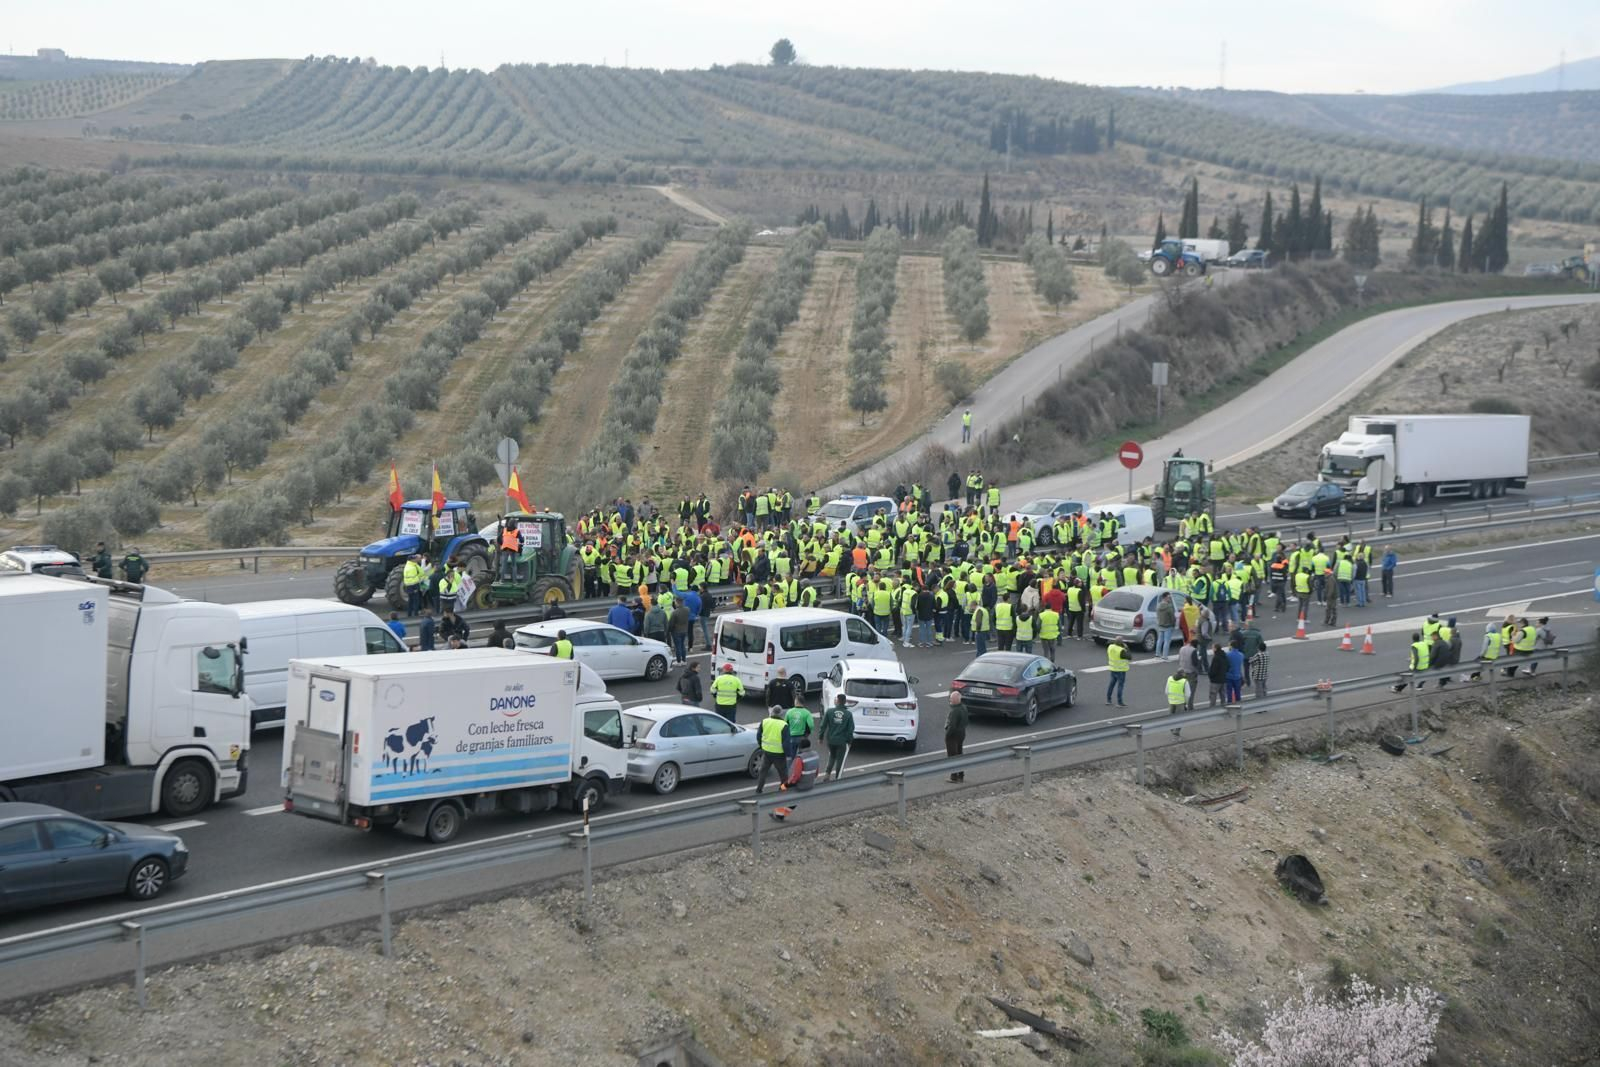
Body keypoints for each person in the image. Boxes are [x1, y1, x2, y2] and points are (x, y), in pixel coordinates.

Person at [754, 707, 791, 794]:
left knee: (763, 771)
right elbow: (786, 743)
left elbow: (758, 736)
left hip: (766, 752)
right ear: (781, 714)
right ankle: (782, 789)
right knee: (783, 775)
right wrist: (788, 754)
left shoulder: (765, 721)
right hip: (779, 754)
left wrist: (762, 746)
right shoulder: (784, 725)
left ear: (772, 713)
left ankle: (759, 789)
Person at [819, 694, 854, 782]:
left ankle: (827, 773)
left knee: (832, 756)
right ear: (844, 702)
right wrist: (849, 741)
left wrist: (821, 737)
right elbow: (850, 730)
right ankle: (838, 778)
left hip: (831, 739)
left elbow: (823, 725)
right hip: (841, 741)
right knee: (840, 760)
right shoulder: (848, 714)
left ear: (837, 701)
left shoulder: (829, 711)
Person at [945, 693, 969, 783]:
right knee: (959, 753)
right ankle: (961, 775)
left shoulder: (954, 711)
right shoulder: (964, 707)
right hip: (961, 733)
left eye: (951, 699)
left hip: (953, 736)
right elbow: (966, 721)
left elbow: (952, 726)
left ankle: (954, 776)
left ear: (954, 700)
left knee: (952, 756)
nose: (950, 700)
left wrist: (947, 735)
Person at [1176, 637, 1201, 710]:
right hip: (1190, 673)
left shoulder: (1182, 648)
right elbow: (1195, 663)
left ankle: (1182, 706)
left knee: (1183, 691)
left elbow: (1179, 659)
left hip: (1182, 671)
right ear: (1195, 645)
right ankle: (1190, 707)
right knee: (1190, 692)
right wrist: (1199, 661)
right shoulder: (1193, 650)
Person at [1105, 640, 1130, 707]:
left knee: (1111, 684)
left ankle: (1108, 700)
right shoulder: (1122, 650)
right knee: (1120, 686)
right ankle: (1119, 702)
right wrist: (1127, 648)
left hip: (1113, 669)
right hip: (1121, 670)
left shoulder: (1110, 647)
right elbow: (1129, 657)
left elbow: (1109, 642)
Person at [1206, 637, 1229, 707]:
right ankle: (1224, 707)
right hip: (1223, 679)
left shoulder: (1216, 658)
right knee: (1223, 695)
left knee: (1213, 695)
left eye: (1213, 648)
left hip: (1215, 681)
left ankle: (1212, 709)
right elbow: (1228, 666)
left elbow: (1213, 670)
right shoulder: (1224, 655)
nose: (1212, 649)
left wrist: (1210, 675)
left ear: (1215, 648)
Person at [1155, 592, 1177, 660]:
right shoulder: (1168, 606)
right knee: (1167, 641)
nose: (1170, 599)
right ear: (1165, 598)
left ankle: (1157, 654)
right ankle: (1165, 656)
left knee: (1160, 640)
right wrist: (1173, 624)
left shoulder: (1158, 606)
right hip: (1168, 625)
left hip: (1160, 624)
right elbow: (1172, 617)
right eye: (1169, 597)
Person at [668, 599, 690, 665]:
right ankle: (684, 660)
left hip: (676, 631)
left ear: (677, 603)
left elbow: (671, 623)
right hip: (684, 630)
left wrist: (669, 630)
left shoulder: (675, 612)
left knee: (678, 646)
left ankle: (678, 661)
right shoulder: (687, 609)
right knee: (682, 645)